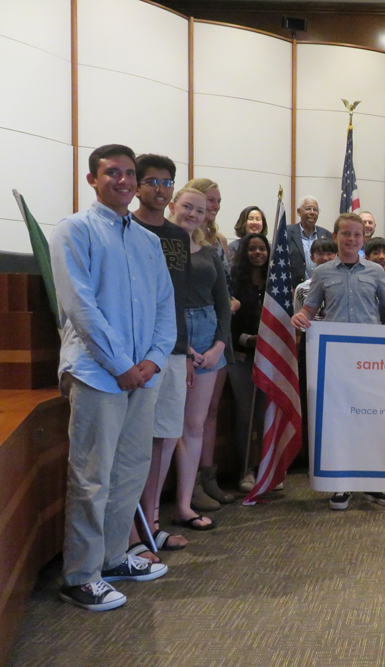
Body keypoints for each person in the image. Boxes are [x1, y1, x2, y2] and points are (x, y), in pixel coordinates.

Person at [51, 144, 174, 611]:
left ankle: (113, 557)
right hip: (98, 374)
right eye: (112, 173)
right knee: (92, 477)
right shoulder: (74, 230)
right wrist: (121, 364)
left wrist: (154, 360)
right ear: (92, 180)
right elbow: (80, 307)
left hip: (143, 376)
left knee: (129, 471)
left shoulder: (148, 240)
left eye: (129, 174)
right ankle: (80, 575)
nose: (123, 181)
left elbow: (165, 307)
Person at [291, 212, 385, 510]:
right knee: (341, 423)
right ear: (336, 236)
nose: (351, 239)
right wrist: (300, 316)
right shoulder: (322, 273)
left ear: (363, 239)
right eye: (345, 234)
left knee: (372, 419)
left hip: (370, 359)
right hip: (337, 361)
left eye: (356, 235)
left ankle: (375, 484)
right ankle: (342, 485)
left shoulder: (376, 272)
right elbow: (310, 310)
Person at [131, 153, 191, 555]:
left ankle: (152, 522)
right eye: (151, 181)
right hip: (138, 353)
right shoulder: (126, 228)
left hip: (174, 350)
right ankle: (132, 532)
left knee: (165, 437)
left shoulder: (178, 236)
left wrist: (185, 351)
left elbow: (179, 298)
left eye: (166, 182)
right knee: (135, 442)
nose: (159, 188)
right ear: (137, 185)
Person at [170, 186, 231, 531]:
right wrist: (185, 350)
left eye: (199, 209)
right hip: (175, 341)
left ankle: (184, 504)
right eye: (187, 207)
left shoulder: (209, 251)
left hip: (210, 342)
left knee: (194, 426)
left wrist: (219, 345)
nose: (193, 214)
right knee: (167, 428)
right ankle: (152, 512)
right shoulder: (158, 246)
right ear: (173, 206)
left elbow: (223, 302)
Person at [184, 177, 236, 510]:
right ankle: (187, 489)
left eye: (217, 201)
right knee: (187, 418)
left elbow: (224, 286)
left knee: (210, 410)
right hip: (185, 333)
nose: (214, 207)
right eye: (208, 201)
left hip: (217, 329)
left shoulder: (217, 241)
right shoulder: (180, 238)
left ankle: (207, 476)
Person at [229, 233, 271, 493]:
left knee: (263, 416)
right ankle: (246, 469)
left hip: (268, 359)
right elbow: (227, 321)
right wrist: (246, 339)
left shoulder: (273, 282)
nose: (257, 253)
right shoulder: (234, 282)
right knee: (244, 415)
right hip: (240, 357)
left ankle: (266, 468)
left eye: (262, 248)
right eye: (252, 248)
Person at [292, 237, 337, 467]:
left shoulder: (339, 283)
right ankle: (308, 456)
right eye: (321, 254)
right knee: (310, 402)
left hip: (335, 351)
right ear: (312, 258)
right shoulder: (302, 289)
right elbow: (299, 321)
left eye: (330, 253)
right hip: (309, 349)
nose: (326, 258)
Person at [286, 195, 333, 287]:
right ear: (299, 212)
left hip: (322, 288)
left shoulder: (326, 234)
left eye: (315, 210)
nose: (312, 212)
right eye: (308, 209)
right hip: (294, 290)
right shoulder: (287, 233)